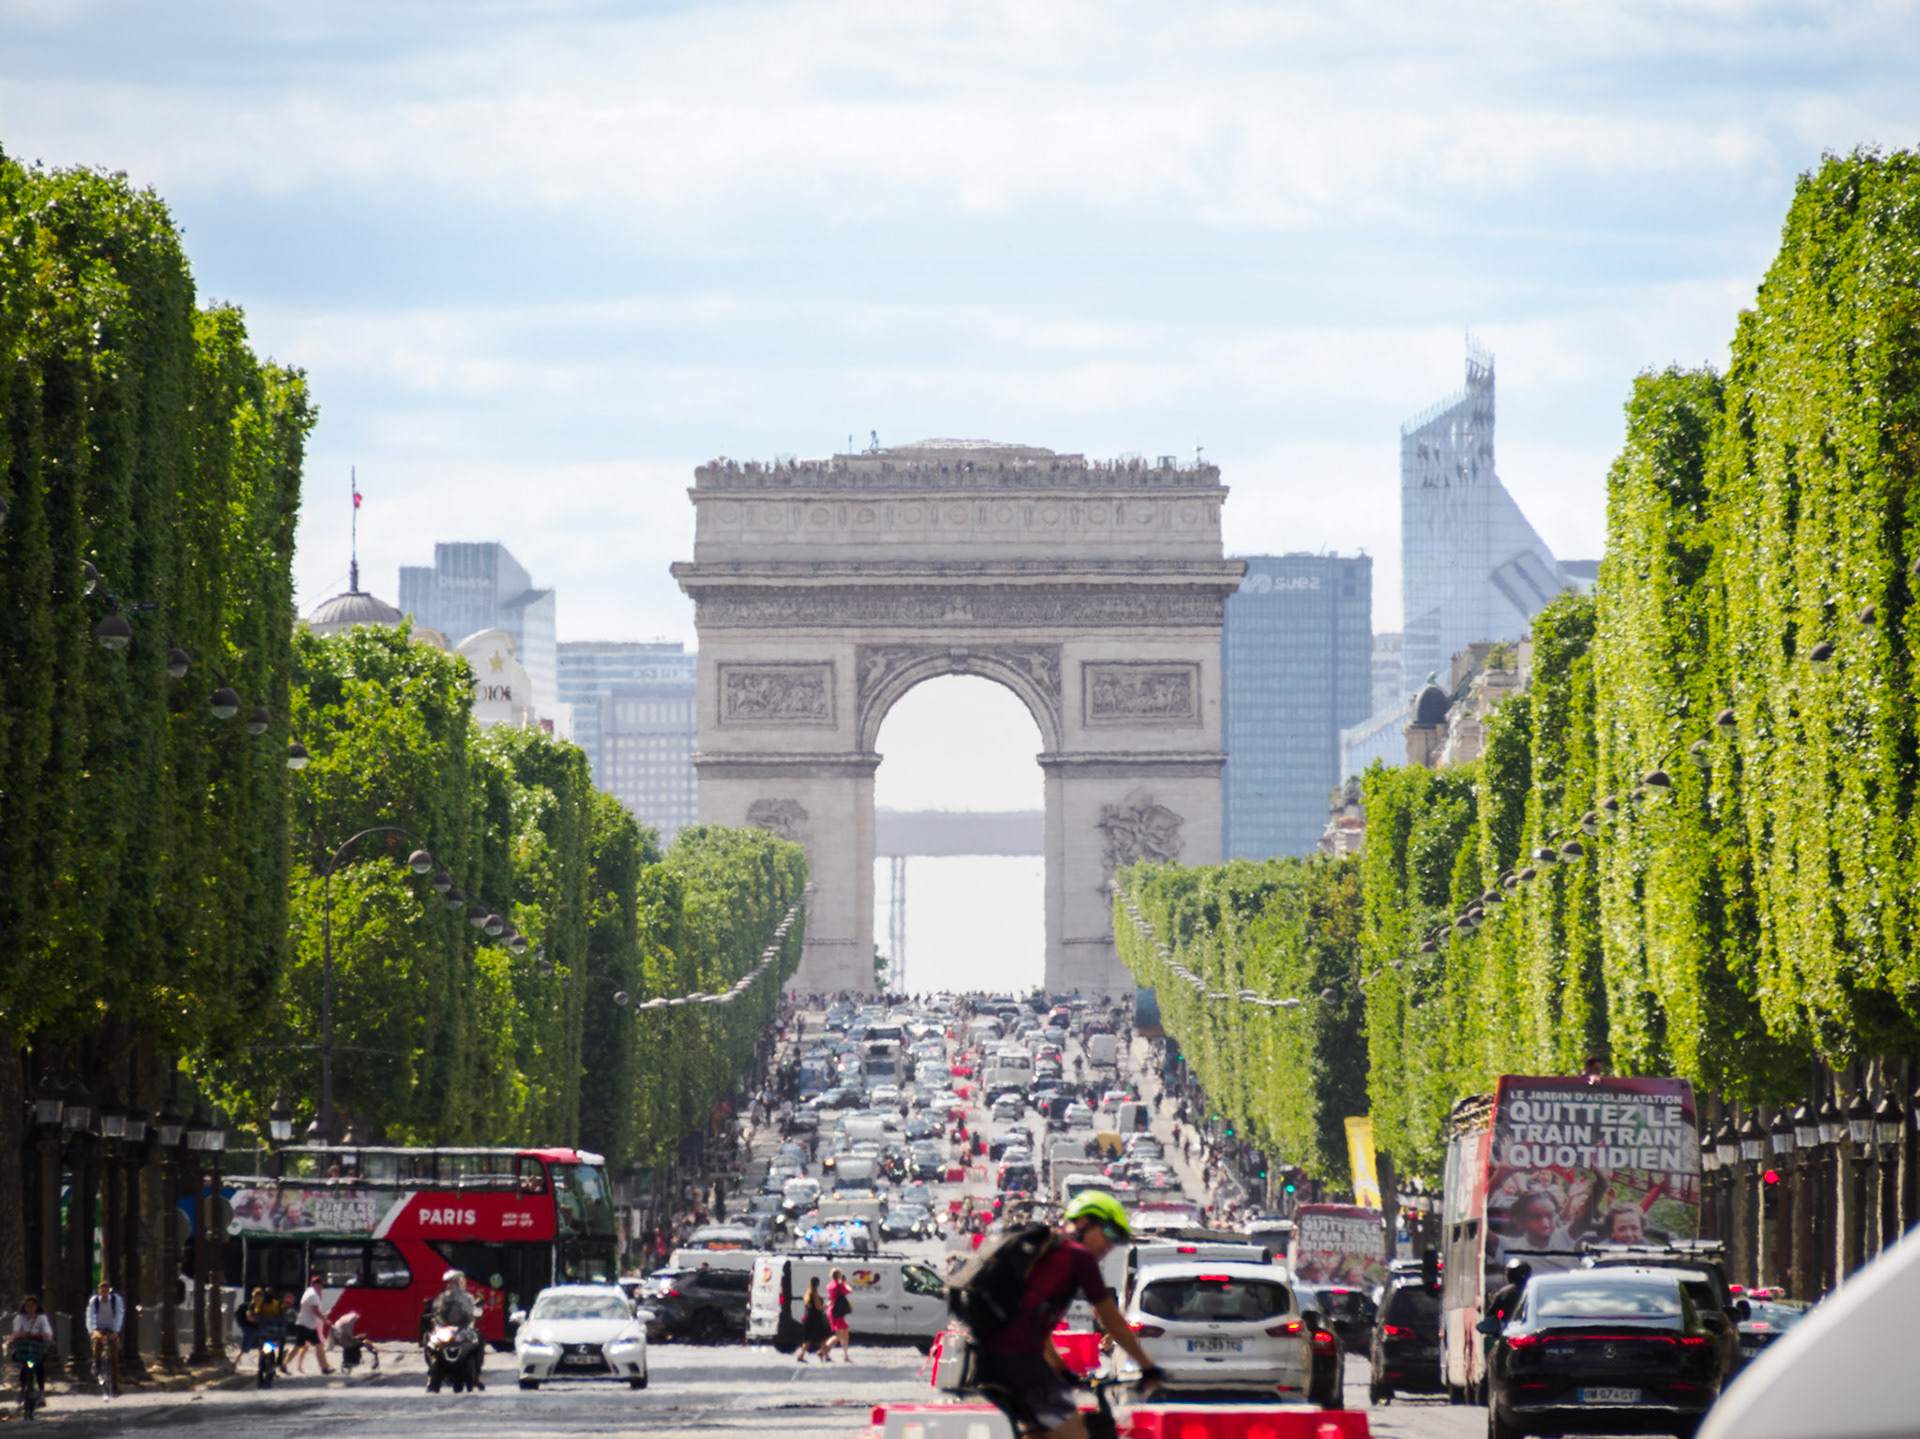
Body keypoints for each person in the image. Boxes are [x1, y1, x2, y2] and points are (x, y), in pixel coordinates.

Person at [973, 1191, 1166, 1438]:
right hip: (1016, 1363)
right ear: (1084, 1223)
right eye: (1109, 1233)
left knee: (1043, 1432)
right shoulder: (1077, 1257)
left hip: (994, 1362)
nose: (1110, 1244)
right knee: (1074, 1432)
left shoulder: (1050, 1252)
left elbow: (1032, 1327)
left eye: (1116, 1239)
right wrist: (1148, 1366)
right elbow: (1112, 1321)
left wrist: (1061, 1368)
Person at [426, 1269, 481, 1392]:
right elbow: (436, 1310)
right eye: (449, 1283)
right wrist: (433, 1314)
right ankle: (430, 1375)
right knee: (430, 1342)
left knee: (478, 1340)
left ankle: (478, 1375)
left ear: (460, 1283)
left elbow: (473, 1310)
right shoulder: (442, 1297)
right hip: (446, 1328)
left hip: (462, 1328)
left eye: (453, 1282)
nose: (450, 1285)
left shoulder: (468, 1297)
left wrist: (476, 1313)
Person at [9, 1295, 54, 1401]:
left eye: (32, 1305)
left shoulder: (41, 1318)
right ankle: (23, 1388)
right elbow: (16, 1331)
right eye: (28, 1306)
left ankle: (41, 1390)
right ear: (24, 1307)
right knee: (26, 1365)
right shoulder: (19, 1318)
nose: (30, 1308)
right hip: (25, 1348)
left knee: (38, 1366)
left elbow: (47, 1331)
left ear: (37, 1306)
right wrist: (15, 1337)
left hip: (36, 1349)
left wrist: (48, 1337)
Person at [86, 1279, 125, 1397]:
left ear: (109, 1291)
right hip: (99, 1327)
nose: (103, 1293)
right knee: (97, 1344)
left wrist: (116, 1331)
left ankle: (115, 1385)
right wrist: (93, 1331)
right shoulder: (94, 1301)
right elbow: (90, 1316)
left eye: (106, 1291)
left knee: (114, 1356)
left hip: (111, 1327)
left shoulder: (116, 1300)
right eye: (101, 1291)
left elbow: (119, 1314)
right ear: (99, 1292)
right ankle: (97, 1363)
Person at [290, 1273, 335, 1374]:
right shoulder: (313, 1294)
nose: (322, 1287)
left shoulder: (313, 1293)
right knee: (300, 1346)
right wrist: (324, 1320)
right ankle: (285, 1365)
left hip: (310, 1324)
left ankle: (324, 1367)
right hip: (307, 1324)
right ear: (317, 1284)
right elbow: (315, 1310)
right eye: (321, 1284)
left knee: (316, 1345)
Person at [797, 1275, 831, 1363]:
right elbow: (819, 1307)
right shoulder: (814, 1295)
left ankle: (801, 1356)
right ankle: (826, 1357)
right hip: (816, 1320)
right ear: (817, 1284)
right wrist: (827, 1305)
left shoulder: (808, 1294)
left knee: (808, 1340)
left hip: (809, 1319)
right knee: (822, 1339)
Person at [826, 1268, 853, 1361]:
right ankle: (823, 1350)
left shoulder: (830, 1285)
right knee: (839, 1335)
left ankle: (846, 1356)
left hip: (833, 1310)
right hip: (837, 1312)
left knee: (845, 1333)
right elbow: (849, 1290)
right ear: (839, 1276)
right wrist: (845, 1283)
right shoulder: (839, 1285)